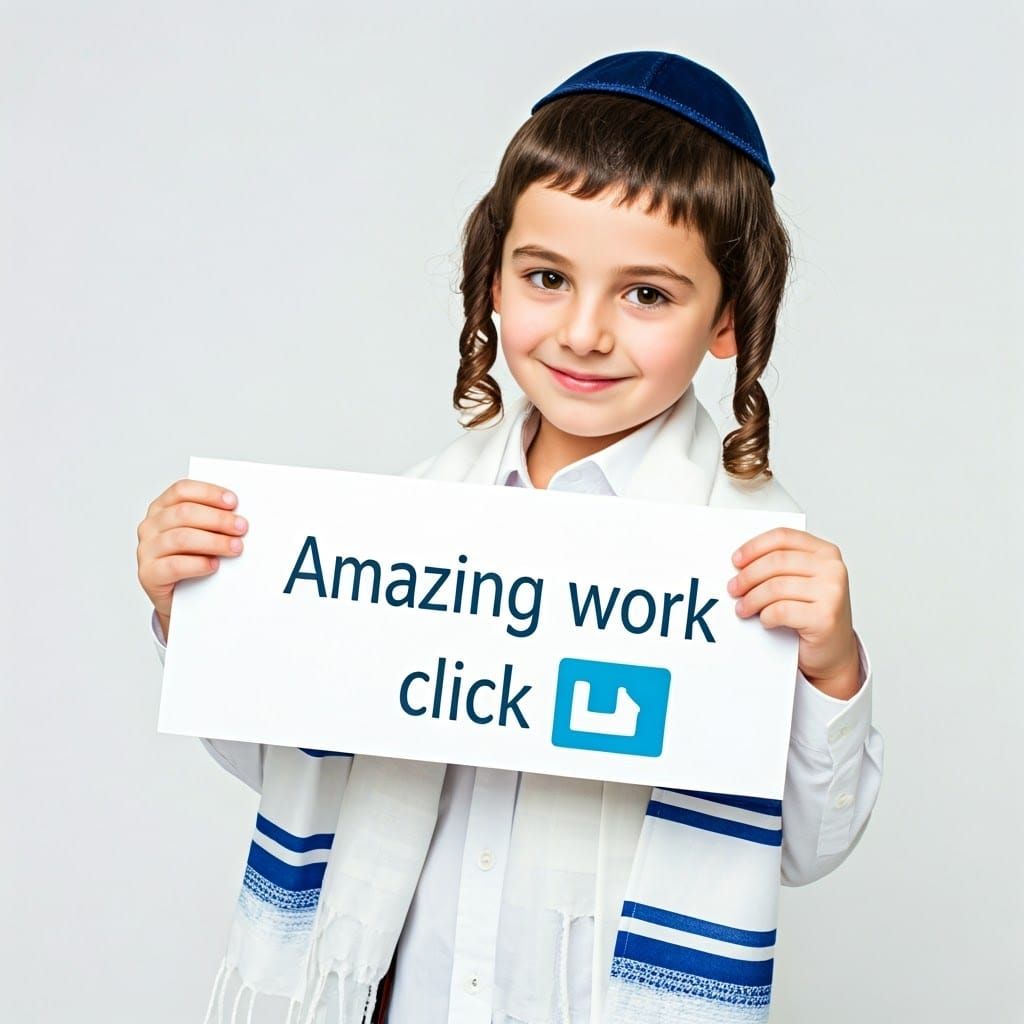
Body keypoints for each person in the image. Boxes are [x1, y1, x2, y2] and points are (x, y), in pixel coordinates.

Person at [137, 51, 884, 1024]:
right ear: (492, 275)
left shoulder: (744, 561)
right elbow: (292, 755)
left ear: (728, 316)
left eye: (645, 294)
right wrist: (196, 611)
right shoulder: (405, 522)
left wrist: (831, 669)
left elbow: (802, 846)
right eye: (546, 276)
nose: (583, 331)